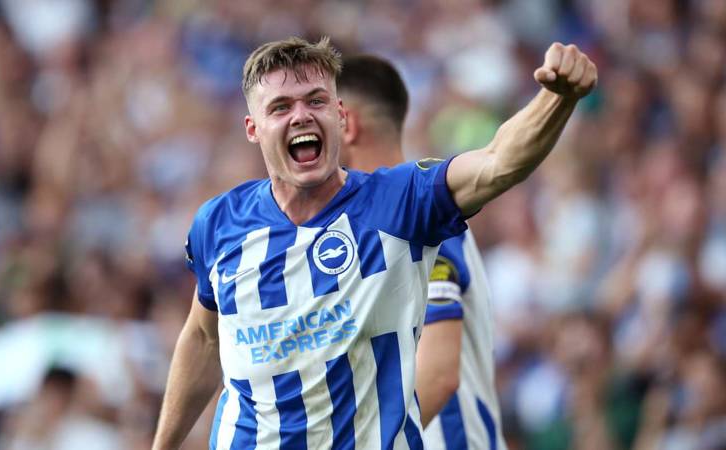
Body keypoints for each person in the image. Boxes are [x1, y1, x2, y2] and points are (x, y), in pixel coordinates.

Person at [152, 36, 596, 450]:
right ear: (254, 128)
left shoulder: (399, 204)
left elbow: (499, 162)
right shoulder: (218, 223)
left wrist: (557, 99)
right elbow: (204, 338)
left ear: (340, 116)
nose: (301, 115)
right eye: (281, 107)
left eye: (316, 101)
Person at [337, 54, 506, 449]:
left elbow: (438, 372)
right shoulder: (383, 219)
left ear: (346, 124)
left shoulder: (419, 215)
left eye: (319, 114)